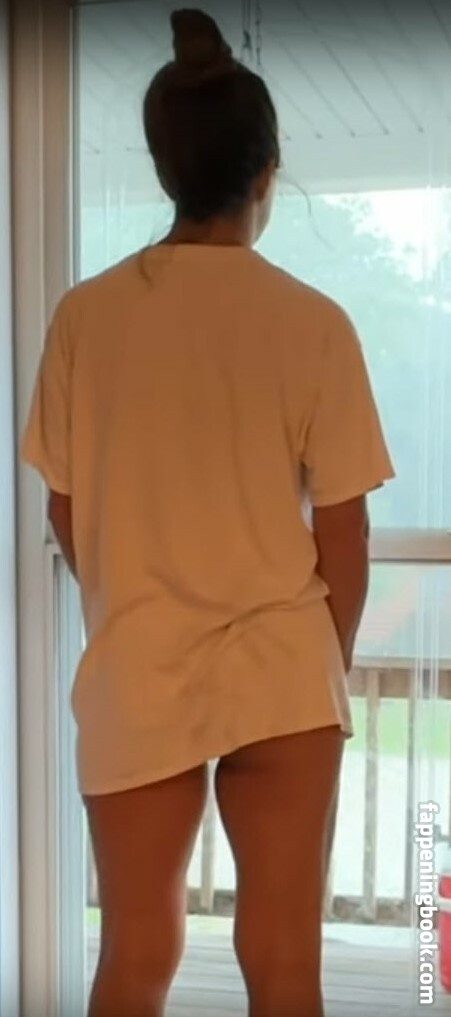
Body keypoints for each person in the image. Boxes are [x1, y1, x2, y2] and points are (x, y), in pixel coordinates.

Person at [22, 8, 394, 1017]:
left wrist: (134, 585)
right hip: (279, 666)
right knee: (284, 964)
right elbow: (345, 532)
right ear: (266, 172)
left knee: (135, 955)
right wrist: (323, 661)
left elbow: (65, 506)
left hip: (138, 665)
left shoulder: (85, 318)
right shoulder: (313, 323)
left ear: (164, 168)